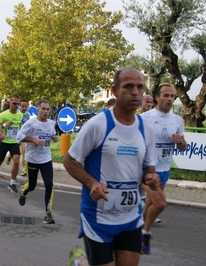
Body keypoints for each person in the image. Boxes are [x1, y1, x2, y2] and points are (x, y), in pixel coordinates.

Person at [63, 68, 160, 266]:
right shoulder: (98, 125)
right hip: (98, 217)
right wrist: (92, 183)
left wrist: (151, 177)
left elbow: (148, 168)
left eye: (140, 87)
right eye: (128, 87)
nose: (135, 92)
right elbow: (70, 161)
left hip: (130, 216)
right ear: (115, 91)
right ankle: (79, 261)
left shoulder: (146, 128)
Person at [140, 83, 186, 255]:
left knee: (151, 204)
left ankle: (137, 229)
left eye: (172, 96)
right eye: (165, 95)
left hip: (165, 166)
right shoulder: (146, 118)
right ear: (157, 97)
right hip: (148, 169)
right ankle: (145, 233)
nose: (169, 99)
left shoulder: (177, 120)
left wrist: (180, 141)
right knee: (159, 203)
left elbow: (183, 146)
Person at [16, 100, 59, 224]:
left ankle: (48, 213)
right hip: (32, 159)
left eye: (48, 109)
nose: (46, 111)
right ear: (38, 110)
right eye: (43, 109)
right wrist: (33, 140)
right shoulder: (31, 123)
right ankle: (24, 191)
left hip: (46, 158)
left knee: (49, 184)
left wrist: (53, 138)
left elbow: (51, 135)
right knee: (32, 185)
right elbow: (19, 137)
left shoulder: (51, 123)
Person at [0, 95, 24, 193]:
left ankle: (12, 182)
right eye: (14, 103)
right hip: (4, 142)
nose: (16, 106)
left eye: (18, 104)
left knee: (17, 161)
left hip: (14, 142)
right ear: (9, 103)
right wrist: (5, 125)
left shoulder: (20, 115)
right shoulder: (3, 115)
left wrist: (21, 134)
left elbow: (20, 126)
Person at [19, 99, 30, 176]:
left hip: (24, 136)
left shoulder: (28, 115)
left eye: (25, 106)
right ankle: (9, 154)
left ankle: (24, 168)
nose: (24, 108)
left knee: (24, 152)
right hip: (15, 135)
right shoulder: (17, 114)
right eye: (22, 106)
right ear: (20, 106)